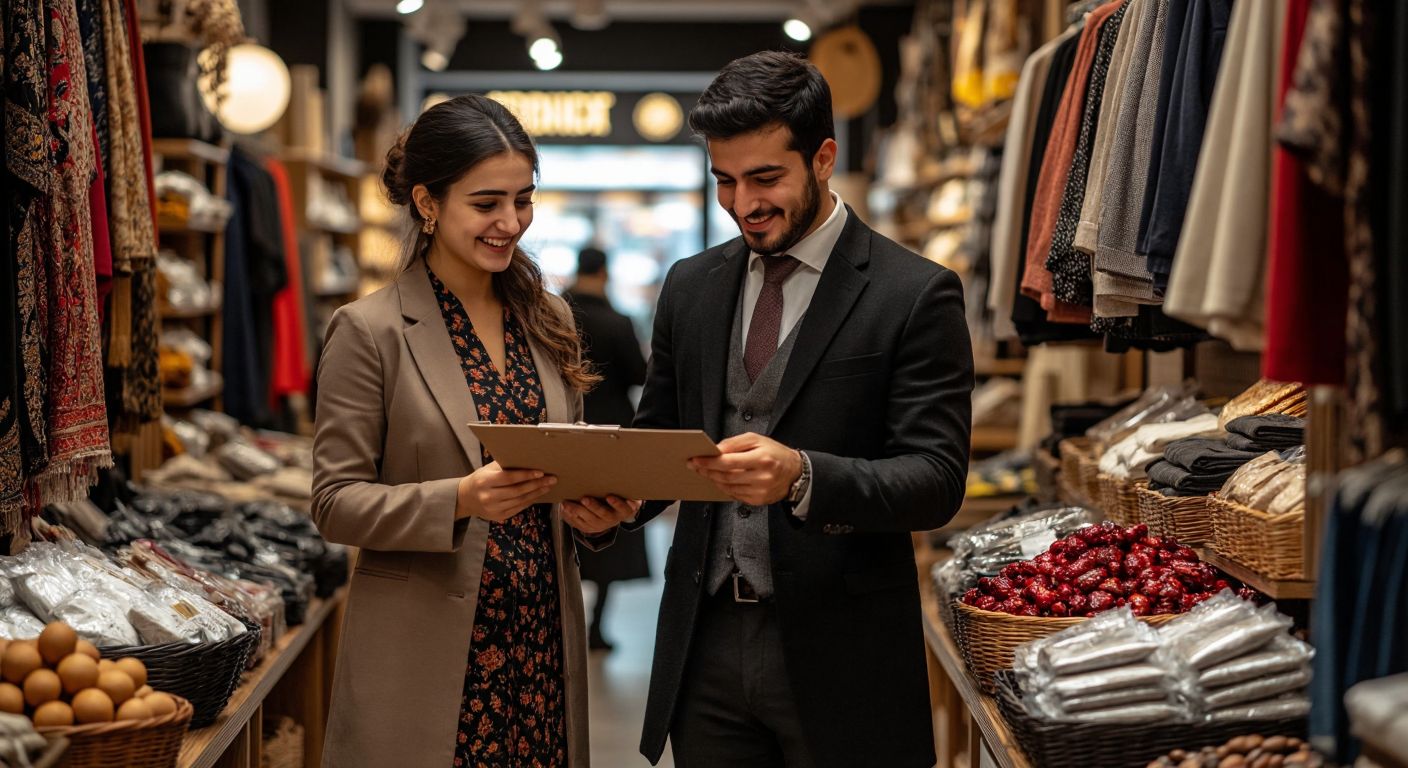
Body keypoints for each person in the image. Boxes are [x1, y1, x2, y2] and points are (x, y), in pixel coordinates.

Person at [567, 52, 975, 768]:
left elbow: (937, 477)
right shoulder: (691, 287)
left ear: (823, 158)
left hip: (843, 649)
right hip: (706, 647)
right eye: (724, 180)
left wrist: (805, 476)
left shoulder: (913, 293)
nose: (743, 204)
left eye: (765, 178)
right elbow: (662, 435)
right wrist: (618, 502)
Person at [311, 94, 635, 768]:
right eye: (487, 203)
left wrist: (595, 514)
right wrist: (460, 499)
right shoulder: (369, 331)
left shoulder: (547, 318)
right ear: (427, 203)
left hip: (542, 646)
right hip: (429, 657)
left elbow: (563, 466)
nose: (510, 222)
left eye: (524, 199)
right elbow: (334, 502)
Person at [561, 247, 651, 651]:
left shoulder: (553, 314)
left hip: (560, 431)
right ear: (604, 273)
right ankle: (597, 625)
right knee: (608, 516)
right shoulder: (618, 321)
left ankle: (560, 619)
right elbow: (638, 373)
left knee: (558, 517)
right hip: (611, 430)